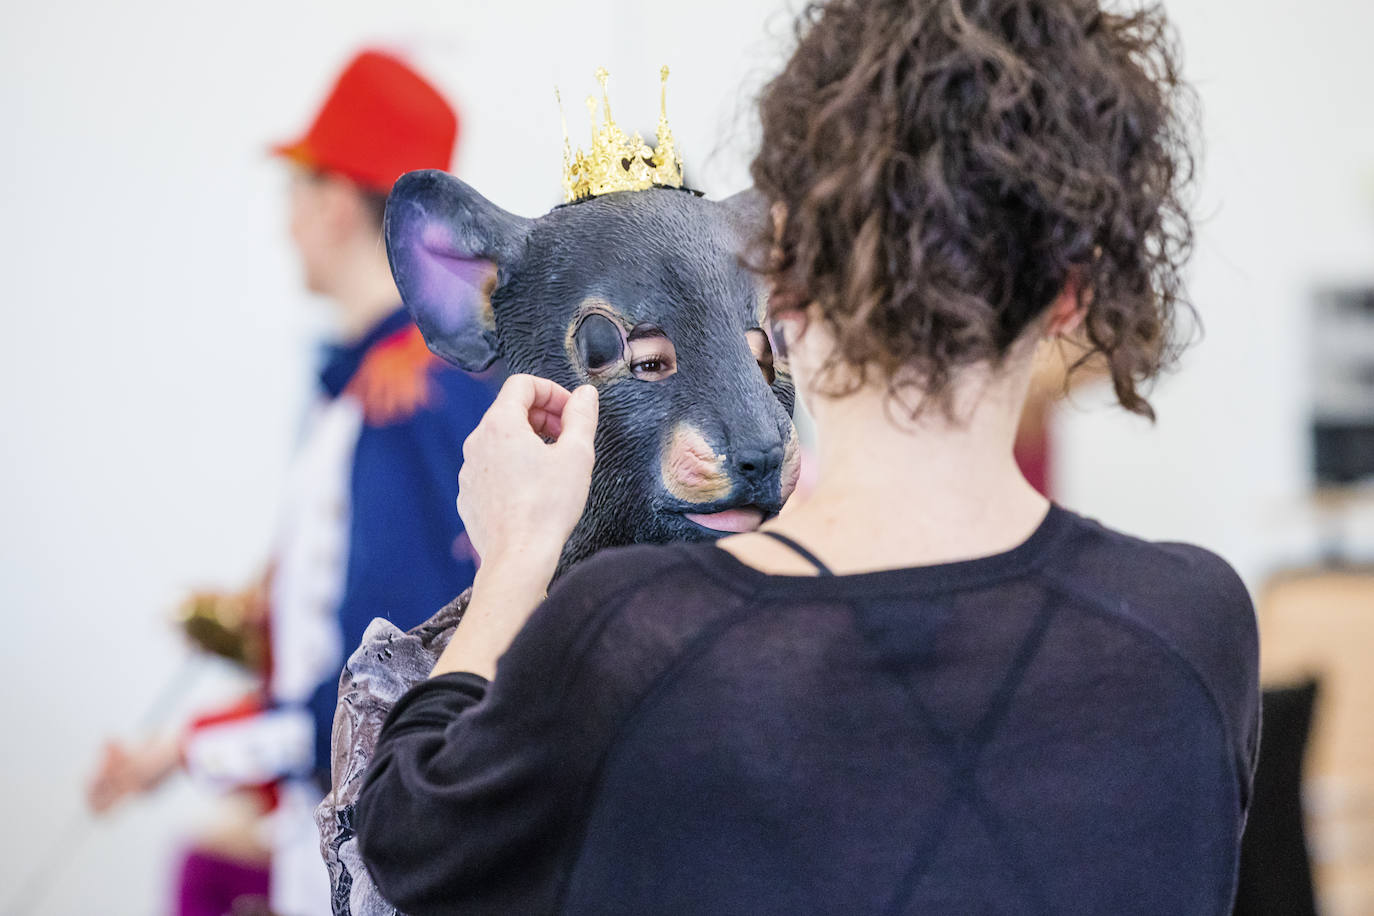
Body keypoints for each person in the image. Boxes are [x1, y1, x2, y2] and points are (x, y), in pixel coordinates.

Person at [353, 1, 1260, 913]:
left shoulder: (631, 637)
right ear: (1075, 293)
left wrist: (514, 558)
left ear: (787, 272)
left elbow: (404, 840)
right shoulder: (1196, 630)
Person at [86, 49, 494, 916]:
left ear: (337, 203)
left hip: (377, 859)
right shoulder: (391, 382)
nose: (284, 224)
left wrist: (192, 750)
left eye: (295, 193)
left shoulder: (401, 398)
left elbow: (387, 682)